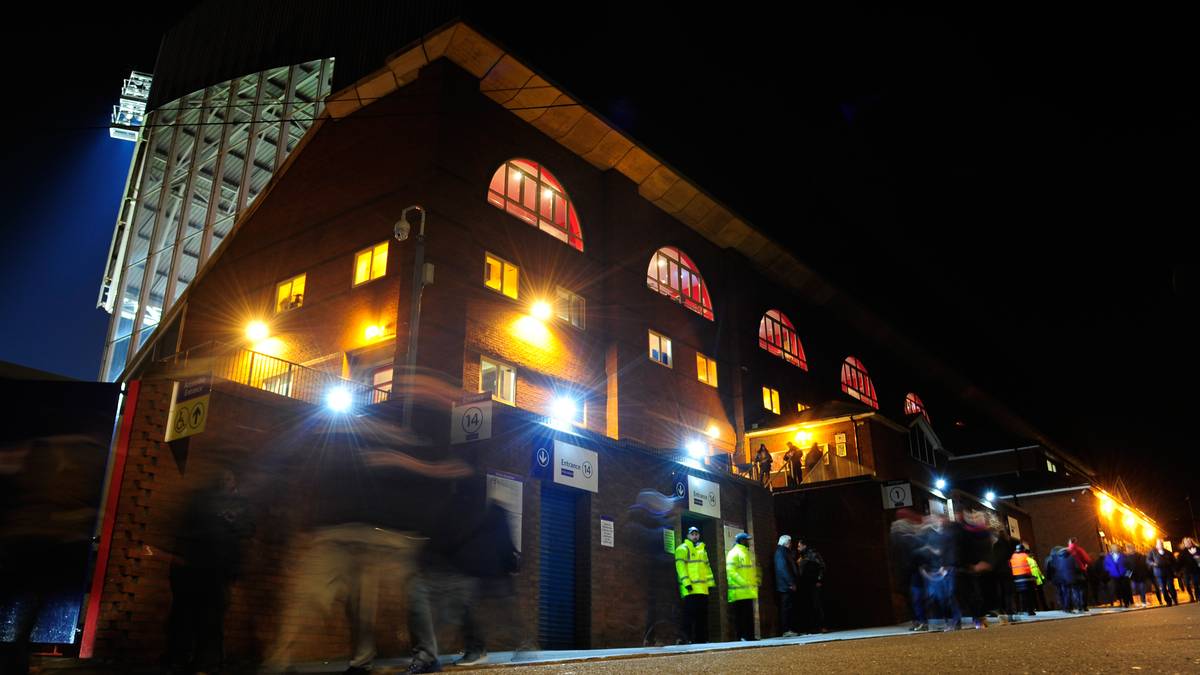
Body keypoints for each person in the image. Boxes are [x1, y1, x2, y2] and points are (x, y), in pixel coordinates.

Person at [157, 468, 255, 675]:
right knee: (189, 614)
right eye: (222, 477)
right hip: (198, 567)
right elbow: (188, 529)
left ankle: (205, 662)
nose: (224, 481)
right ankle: (184, 658)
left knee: (210, 617)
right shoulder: (202, 501)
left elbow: (248, 529)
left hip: (217, 568)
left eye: (228, 477)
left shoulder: (241, 504)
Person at [919, 515, 961, 630]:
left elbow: (942, 551)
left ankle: (955, 620)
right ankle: (952, 621)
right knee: (943, 597)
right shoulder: (936, 534)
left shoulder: (947, 534)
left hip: (946, 568)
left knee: (949, 595)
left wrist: (944, 565)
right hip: (940, 569)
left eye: (938, 520)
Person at [675, 526, 714, 644]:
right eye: (692, 534)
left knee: (701, 616)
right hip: (690, 589)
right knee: (688, 616)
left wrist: (710, 584)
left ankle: (700, 639)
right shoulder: (683, 548)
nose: (695, 536)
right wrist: (686, 583)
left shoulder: (702, 550)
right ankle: (685, 639)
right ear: (687, 535)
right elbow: (680, 567)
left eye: (697, 533)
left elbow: (707, 568)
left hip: (702, 590)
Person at [726, 532, 759, 640]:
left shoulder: (747, 553)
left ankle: (749, 636)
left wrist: (756, 580)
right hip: (739, 592)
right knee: (741, 617)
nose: (748, 542)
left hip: (747, 591)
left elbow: (753, 570)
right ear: (741, 541)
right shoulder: (734, 553)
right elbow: (731, 571)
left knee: (748, 616)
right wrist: (744, 583)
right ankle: (741, 636)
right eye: (746, 540)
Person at [795, 537, 827, 633]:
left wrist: (819, 580)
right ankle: (810, 627)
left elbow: (822, 567)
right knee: (807, 605)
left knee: (816, 604)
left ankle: (821, 626)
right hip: (804, 584)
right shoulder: (801, 556)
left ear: (804, 546)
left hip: (813, 583)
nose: (798, 548)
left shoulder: (812, 554)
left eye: (799, 546)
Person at [774, 534, 799, 637]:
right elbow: (783, 569)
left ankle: (789, 629)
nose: (791, 545)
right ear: (786, 543)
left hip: (786, 585)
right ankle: (786, 629)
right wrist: (791, 583)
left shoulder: (783, 552)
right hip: (785, 586)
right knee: (786, 607)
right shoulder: (781, 552)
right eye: (790, 543)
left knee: (788, 607)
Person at [1009, 544, 1037, 617]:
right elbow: (1031, 567)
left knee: (1022, 595)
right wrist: (1034, 577)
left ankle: (1023, 610)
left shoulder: (1013, 557)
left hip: (1017, 579)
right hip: (1027, 578)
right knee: (1029, 595)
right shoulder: (1025, 556)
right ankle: (1030, 611)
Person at [1147, 539, 1178, 606]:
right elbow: (1148, 560)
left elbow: (1174, 562)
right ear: (1156, 545)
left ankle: (1174, 599)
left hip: (1168, 573)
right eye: (1159, 544)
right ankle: (1168, 601)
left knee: (1171, 587)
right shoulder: (1152, 552)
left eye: (1161, 544)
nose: (1160, 545)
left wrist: (1174, 570)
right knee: (1163, 589)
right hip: (1159, 573)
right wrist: (1153, 563)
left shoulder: (1168, 552)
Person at [1066, 537, 1092, 611]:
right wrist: (1085, 565)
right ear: (1075, 542)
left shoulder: (1066, 551)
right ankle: (1084, 605)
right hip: (1080, 571)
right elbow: (1087, 560)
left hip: (1070, 573)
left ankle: (1078, 606)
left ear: (1069, 542)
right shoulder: (1079, 549)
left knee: (1074, 589)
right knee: (1083, 589)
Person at [1177, 538, 1200, 602]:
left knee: (1196, 583)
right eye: (1186, 542)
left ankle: (1198, 596)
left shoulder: (1197, 549)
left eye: (1189, 542)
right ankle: (1191, 595)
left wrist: (1195, 555)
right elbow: (1179, 562)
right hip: (1186, 571)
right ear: (1184, 544)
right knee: (1187, 584)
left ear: (1192, 542)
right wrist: (1177, 570)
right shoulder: (1182, 552)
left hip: (1195, 570)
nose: (1188, 543)